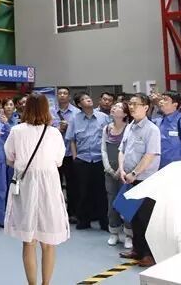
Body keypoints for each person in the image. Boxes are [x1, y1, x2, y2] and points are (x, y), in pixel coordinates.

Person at [5, 93, 70, 285]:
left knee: (29, 241)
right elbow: (58, 160)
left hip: (26, 184)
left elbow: (10, 158)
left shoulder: (16, 131)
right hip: (49, 185)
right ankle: (45, 283)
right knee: (48, 242)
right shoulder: (54, 133)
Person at [118, 93, 161, 268]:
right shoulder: (130, 127)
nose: (132, 107)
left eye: (136, 104)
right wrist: (122, 169)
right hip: (129, 179)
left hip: (145, 180)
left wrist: (134, 173)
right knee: (133, 216)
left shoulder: (152, 129)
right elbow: (122, 150)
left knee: (146, 218)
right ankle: (138, 249)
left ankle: (150, 254)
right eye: (130, 103)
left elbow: (150, 155)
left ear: (146, 107)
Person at [67, 92, 109, 231]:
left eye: (88, 97)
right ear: (79, 104)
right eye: (84, 99)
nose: (88, 99)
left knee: (101, 192)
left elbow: (110, 137)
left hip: (99, 159)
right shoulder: (75, 118)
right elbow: (72, 140)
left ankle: (104, 221)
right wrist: (75, 157)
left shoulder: (103, 117)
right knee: (83, 191)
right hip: (82, 159)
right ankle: (84, 220)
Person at [101, 102, 132, 249]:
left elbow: (128, 150)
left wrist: (120, 169)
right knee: (111, 202)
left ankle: (129, 234)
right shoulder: (107, 128)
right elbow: (103, 149)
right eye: (114, 107)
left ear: (125, 113)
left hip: (125, 171)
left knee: (126, 202)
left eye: (118, 107)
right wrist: (108, 167)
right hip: (109, 171)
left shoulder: (129, 128)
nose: (114, 108)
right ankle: (114, 232)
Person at [52, 86, 79, 222]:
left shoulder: (76, 113)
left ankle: (72, 213)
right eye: (60, 93)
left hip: (70, 153)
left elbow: (80, 132)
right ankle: (56, 213)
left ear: (69, 96)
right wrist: (58, 129)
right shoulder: (50, 112)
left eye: (65, 93)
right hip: (53, 155)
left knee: (72, 185)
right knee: (54, 185)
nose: (62, 95)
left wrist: (69, 128)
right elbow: (45, 131)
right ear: (57, 96)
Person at [155, 91, 181, 169]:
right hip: (160, 167)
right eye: (161, 99)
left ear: (175, 104)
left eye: (165, 99)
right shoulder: (158, 121)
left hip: (179, 168)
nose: (161, 102)